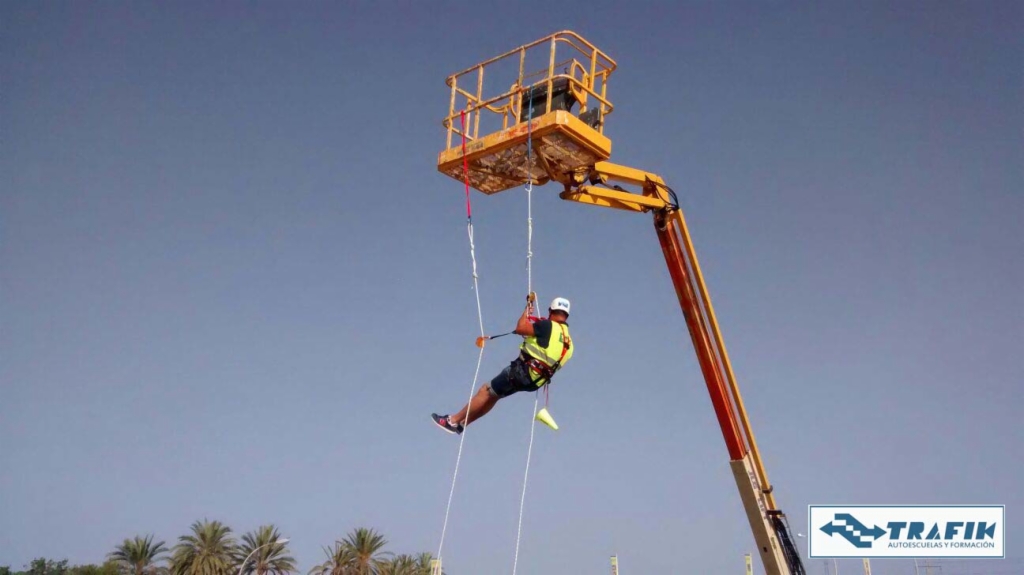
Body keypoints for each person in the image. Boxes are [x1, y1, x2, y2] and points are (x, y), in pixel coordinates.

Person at [432, 296, 575, 435]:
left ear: (550, 310)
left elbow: (520, 328)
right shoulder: (569, 344)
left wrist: (527, 309)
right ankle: (463, 423)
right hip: (535, 382)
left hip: (522, 372)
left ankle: (453, 420)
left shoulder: (547, 326)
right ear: (566, 316)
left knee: (485, 390)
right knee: (494, 395)